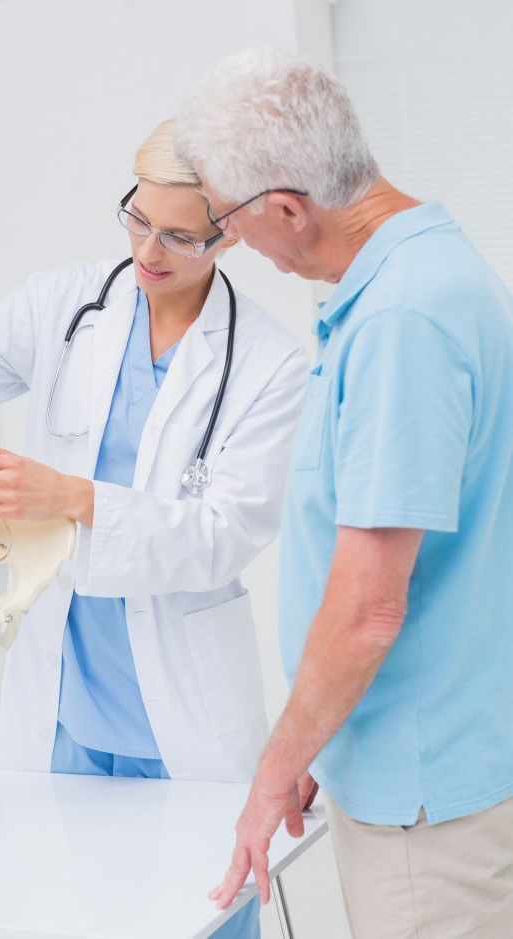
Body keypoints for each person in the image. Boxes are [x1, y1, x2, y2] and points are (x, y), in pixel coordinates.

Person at [0, 119, 309, 938]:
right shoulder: (63, 303)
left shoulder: (267, 360)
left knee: (204, 917)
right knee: (60, 913)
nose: (149, 250)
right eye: (137, 218)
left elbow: (223, 533)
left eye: (181, 235)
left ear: (231, 232)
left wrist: (73, 498)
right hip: (63, 710)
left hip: (181, 717)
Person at [174, 49, 513, 937]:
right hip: (421, 751)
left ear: (288, 207)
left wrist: (275, 769)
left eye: (226, 220)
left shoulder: (402, 317)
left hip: (426, 794)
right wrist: (331, 731)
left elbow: (368, 607)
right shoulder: (420, 276)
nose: (229, 241)